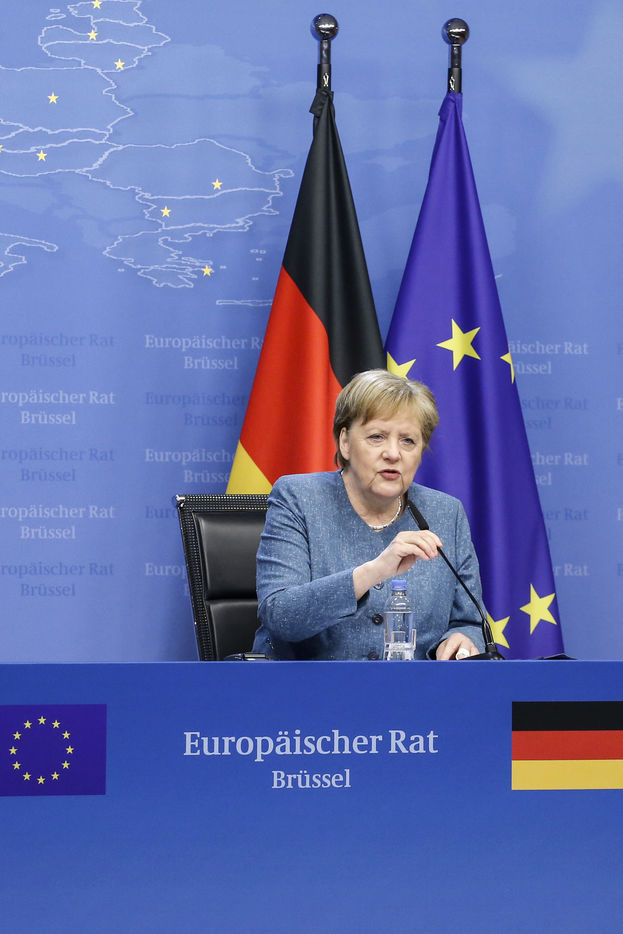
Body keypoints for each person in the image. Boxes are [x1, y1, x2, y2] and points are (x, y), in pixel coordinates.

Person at [252, 369, 485, 660]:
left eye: (408, 441)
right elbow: (280, 615)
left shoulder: (445, 513)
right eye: (377, 437)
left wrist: (461, 638)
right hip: (311, 685)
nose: (393, 453)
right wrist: (375, 571)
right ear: (345, 442)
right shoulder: (298, 498)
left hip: (414, 686)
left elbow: (470, 622)